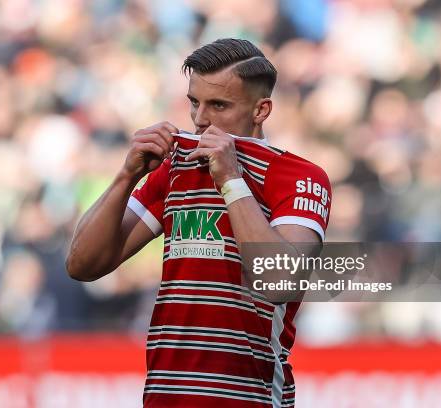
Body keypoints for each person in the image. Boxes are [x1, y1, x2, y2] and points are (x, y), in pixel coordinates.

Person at [66, 38, 331, 407]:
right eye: (195, 102)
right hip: (165, 396)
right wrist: (126, 176)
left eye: (219, 105)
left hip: (249, 398)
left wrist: (231, 181)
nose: (200, 119)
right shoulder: (176, 167)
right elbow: (82, 264)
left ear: (261, 110)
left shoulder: (300, 177)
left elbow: (278, 280)